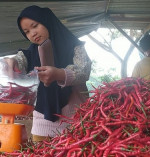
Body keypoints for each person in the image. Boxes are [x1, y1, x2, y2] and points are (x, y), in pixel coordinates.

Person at [4, 5, 92, 142]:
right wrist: (12, 61)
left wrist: (60, 74)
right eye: (26, 31)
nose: (32, 33)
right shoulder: (30, 52)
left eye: (35, 26)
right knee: (41, 151)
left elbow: (84, 71)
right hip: (41, 118)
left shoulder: (74, 45)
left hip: (75, 117)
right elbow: (19, 60)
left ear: (47, 21)